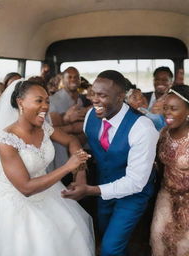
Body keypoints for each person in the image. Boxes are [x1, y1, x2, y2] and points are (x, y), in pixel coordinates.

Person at [0, 80, 95, 256]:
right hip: (14, 203)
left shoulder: (44, 127)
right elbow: (25, 187)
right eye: (39, 101)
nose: (45, 106)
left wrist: (80, 175)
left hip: (48, 192)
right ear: (20, 103)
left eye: (47, 101)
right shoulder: (6, 141)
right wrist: (67, 167)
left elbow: (72, 141)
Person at [62, 70, 159, 256]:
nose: (94, 100)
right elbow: (81, 145)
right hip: (103, 189)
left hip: (133, 195)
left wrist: (89, 190)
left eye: (102, 95)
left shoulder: (142, 128)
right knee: (109, 238)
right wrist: (80, 174)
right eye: (93, 94)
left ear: (121, 97)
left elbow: (136, 182)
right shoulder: (91, 116)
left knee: (109, 248)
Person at [151, 85, 189, 256]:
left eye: (174, 109)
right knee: (159, 240)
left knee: (183, 248)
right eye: (165, 108)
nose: (167, 113)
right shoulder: (163, 133)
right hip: (166, 195)